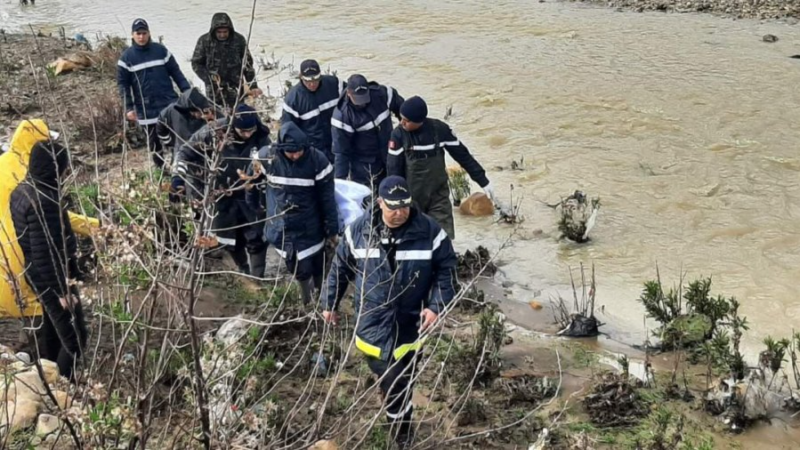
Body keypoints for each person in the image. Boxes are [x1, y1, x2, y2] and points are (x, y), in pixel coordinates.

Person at [323, 175, 457, 447]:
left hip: (411, 324)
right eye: (393, 207)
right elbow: (340, 268)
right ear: (380, 202)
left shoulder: (430, 232)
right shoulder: (358, 232)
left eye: (405, 206)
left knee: (404, 380)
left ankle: (394, 407)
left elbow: (447, 270)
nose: (400, 212)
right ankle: (402, 436)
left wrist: (436, 307)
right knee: (395, 382)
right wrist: (329, 304)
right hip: (372, 323)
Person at [10, 141, 88, 379]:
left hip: (36, 273)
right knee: (75, 338)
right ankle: (62, 384)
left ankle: (49, 372)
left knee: (54, 328)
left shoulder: (22, 190)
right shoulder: (45, 201)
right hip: (51, 278)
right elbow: (45, 251)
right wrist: (61, 290)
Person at [171, 105, 270, 275]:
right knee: (231, 238)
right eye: (243, 131)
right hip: (222, 195)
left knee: (257, 237)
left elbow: (272, 162)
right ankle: (242, 268)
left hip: (251, 194)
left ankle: (258, 276)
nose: (247, 135)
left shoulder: (261, 137)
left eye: (250, 131)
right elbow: (184, 152)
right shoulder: (213, 132)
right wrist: (178, 178)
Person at [249, 122, 338, 303]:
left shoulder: (318, 161)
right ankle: (307, 301)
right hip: (282, 227)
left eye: (299, 151)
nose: (296, 155)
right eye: (291, 152)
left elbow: (328, 198)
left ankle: (321, 297)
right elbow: (251, 181)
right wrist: (255, 205)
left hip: (310, 224)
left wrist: (332, 228)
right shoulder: (267, 158)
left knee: (318, 263)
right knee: (299, 268)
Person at [387, 96, 496, 239]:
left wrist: (483, 181)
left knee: (443, 238)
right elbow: (393, 169)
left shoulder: (439, 130)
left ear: (419, 121)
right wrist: (395, 200)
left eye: (406, 120)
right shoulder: (398, 135)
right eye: (401, 118)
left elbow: (463, 156)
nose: (402, 123)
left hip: (438, 197)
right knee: (414, 239)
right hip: (411, 200)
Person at [117, 18, 191, 168]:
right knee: (154, 142)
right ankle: (160, 168)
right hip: (145, 107)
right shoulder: (126, 58)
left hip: (168, 102)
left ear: (149, 33)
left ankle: (179, 167)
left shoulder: (161, 51)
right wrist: (129, 107)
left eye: (144, 33)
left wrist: (188, 93)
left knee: (176, 137)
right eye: (138, 33)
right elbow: (123, 85)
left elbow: (176, 73)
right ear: (132, 35)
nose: (141, 37)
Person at [331, 74, 404, 188]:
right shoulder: (342, 116)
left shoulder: (382, 94)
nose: (362, 103)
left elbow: (403, 111)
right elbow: (341, 153)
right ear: (349, 93)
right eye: (358, 99)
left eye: (365, 98)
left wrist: (404, 132)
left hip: (390, 156)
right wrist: (340, 184)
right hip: (365, 169)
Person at [191, 12, 262, 108]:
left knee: (238, 111)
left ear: (230, 30)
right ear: (214, 31)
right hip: (214, 88)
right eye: (219, 32)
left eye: (225, 32)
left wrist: (253, 86)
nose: (222, 35)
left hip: (236, 86)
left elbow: (248, 64)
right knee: (216, 112)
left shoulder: (239, 40)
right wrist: (209, 79)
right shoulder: (204, 41)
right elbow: (196, 63)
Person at [281, 59, 345, 163]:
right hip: (314, 150)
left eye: (315, 80)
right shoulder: (293, 99)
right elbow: (288, 131)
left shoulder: (335, 85)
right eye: (308, 81)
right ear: (301, 77)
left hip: (338, 143)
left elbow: (352, 101)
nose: (312, 84)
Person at [156, 87, 216, 162]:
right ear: (193, 112)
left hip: (203, 153)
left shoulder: (206, 111)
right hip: (183, 154)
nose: (202, 115)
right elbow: (160, 123)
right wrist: (169, 142)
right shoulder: (175, 113)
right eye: (200, 112)